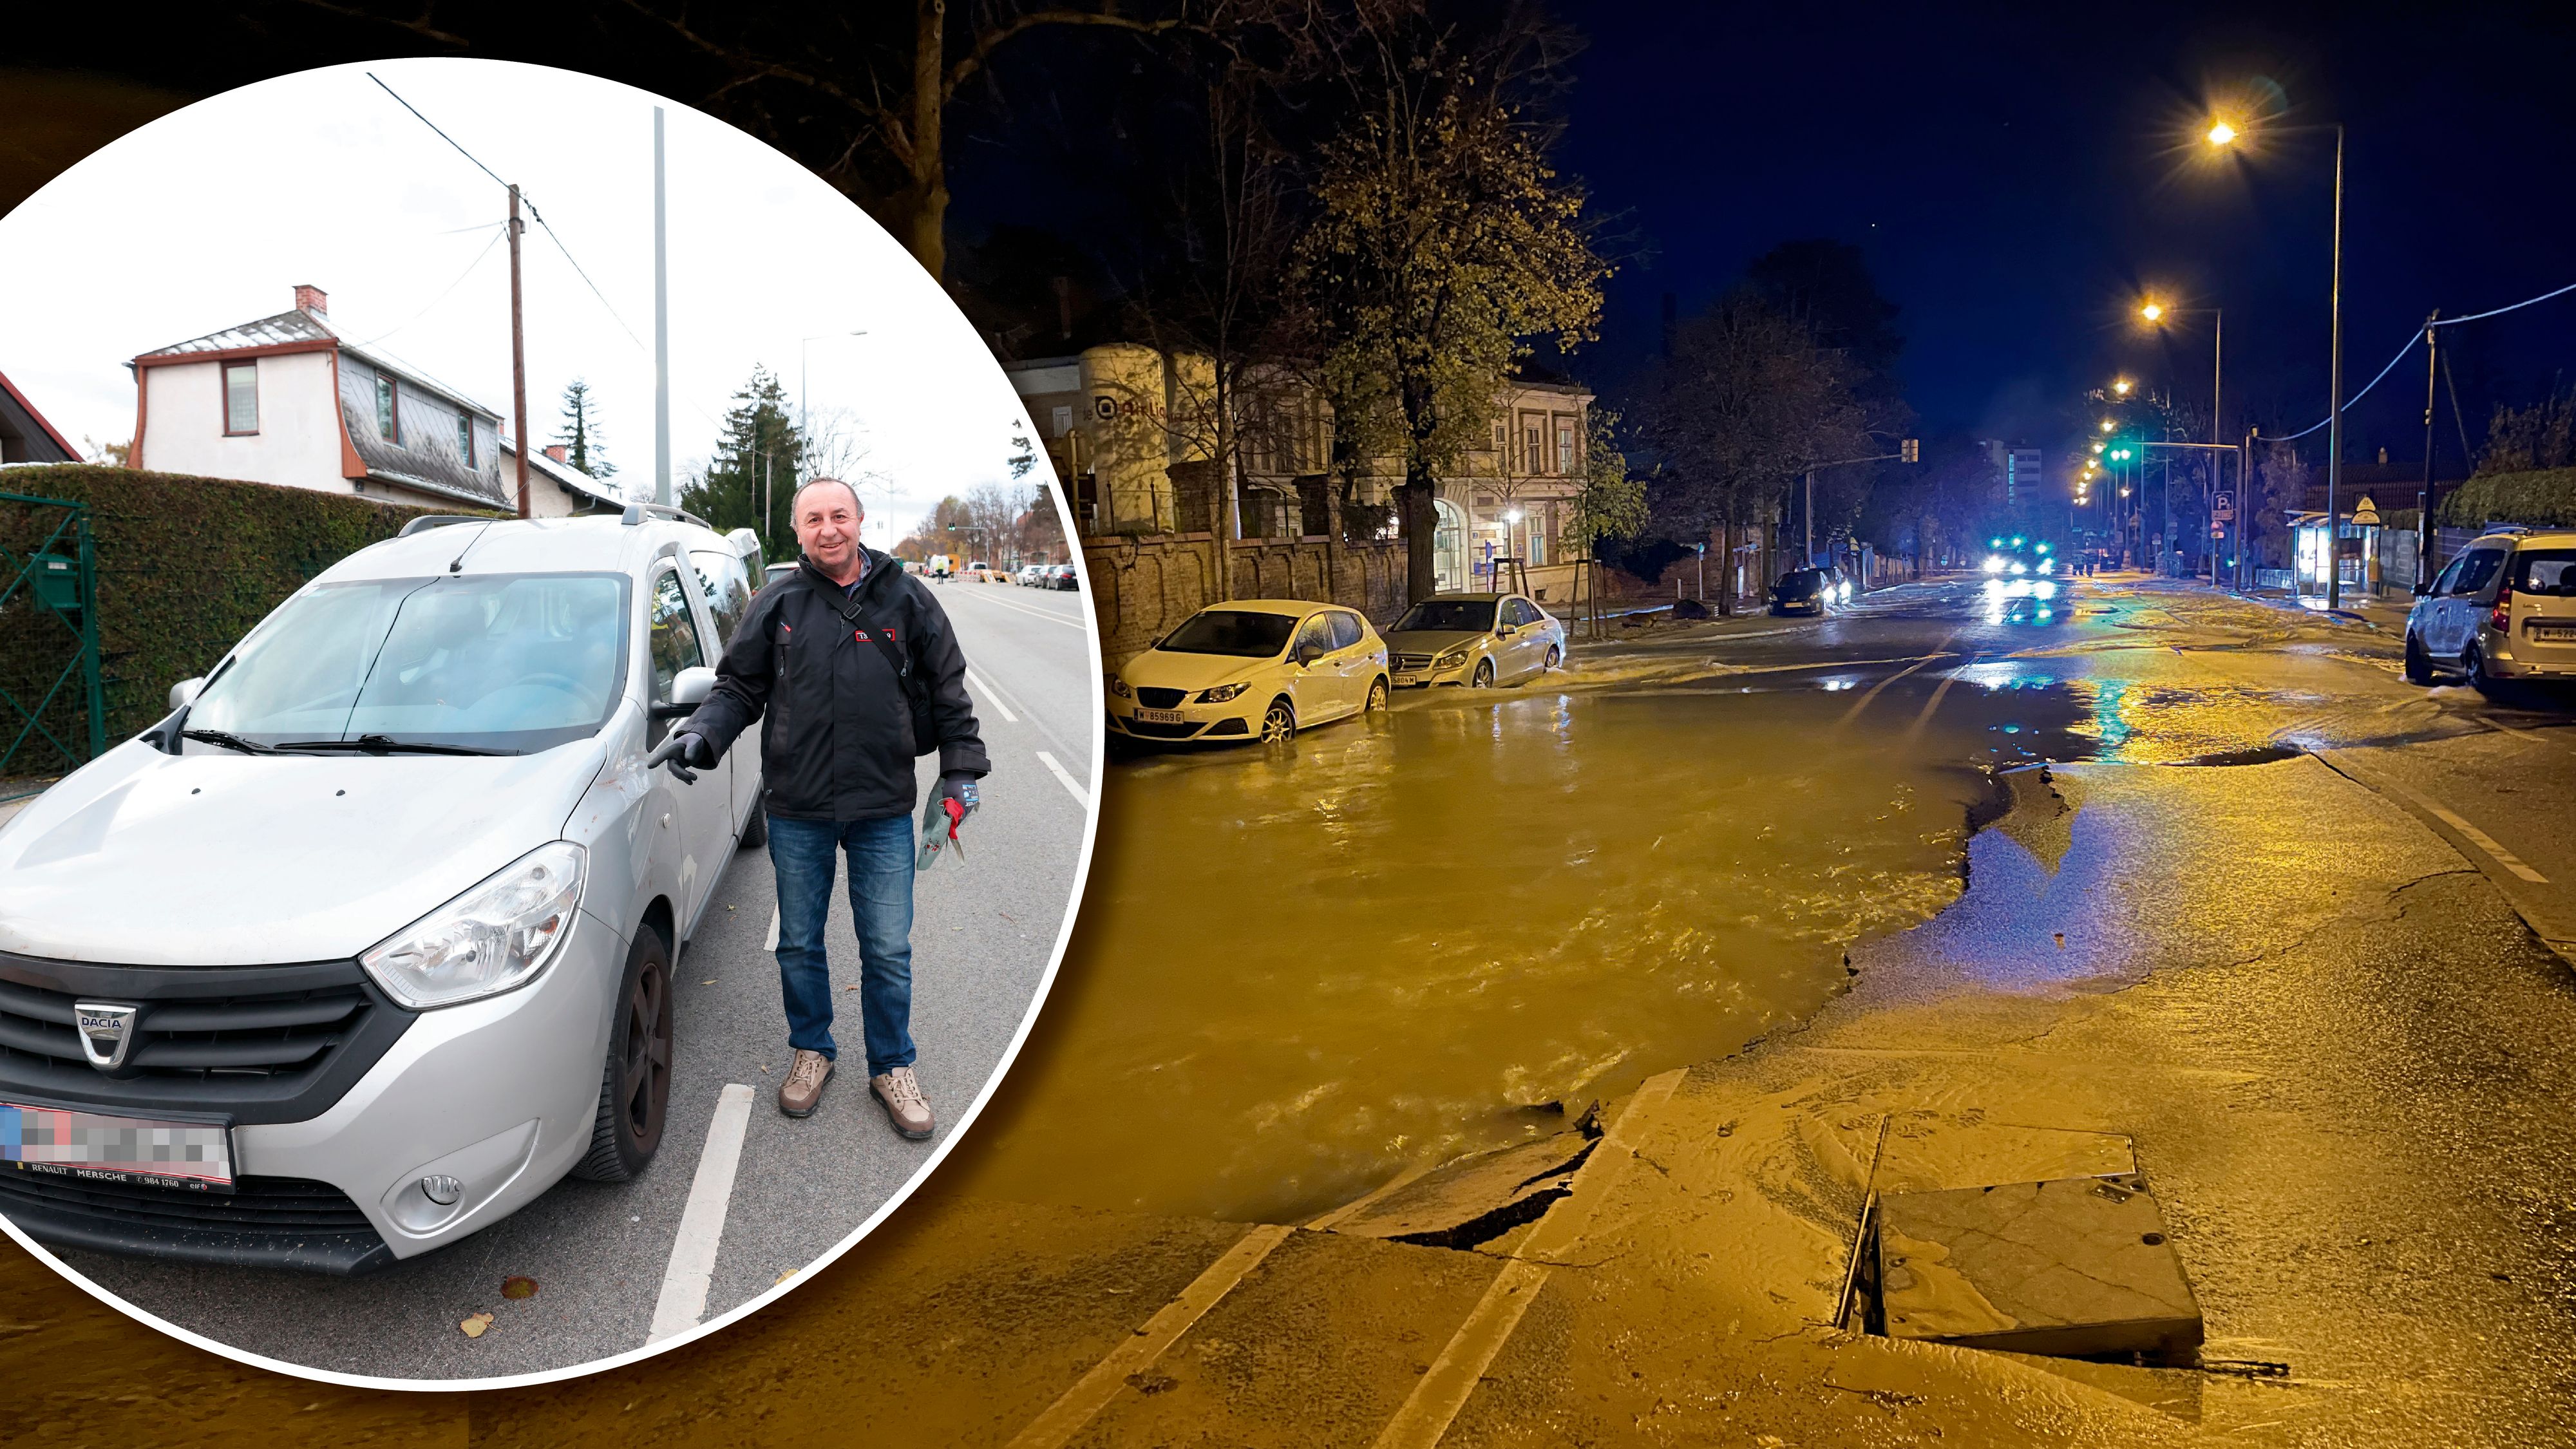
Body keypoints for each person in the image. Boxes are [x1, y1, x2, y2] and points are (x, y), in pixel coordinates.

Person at [648, 477, 988, 1138]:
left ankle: (892, 1065)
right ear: (798, 532)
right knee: (799, 944)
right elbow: (738, 687)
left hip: (883, 805)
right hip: (799, 807)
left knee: (887, 948)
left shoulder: (907, 599)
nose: (828, 528)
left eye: (839, 515)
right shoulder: (778, 603)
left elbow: (948, 691)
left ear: (859, 521)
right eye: (813, 519)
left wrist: (960, 773)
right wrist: (702, 734)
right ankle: (812, 1051)